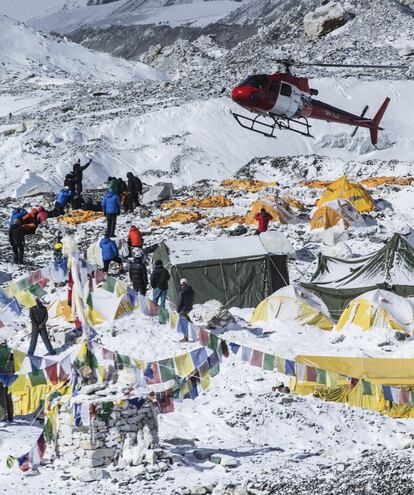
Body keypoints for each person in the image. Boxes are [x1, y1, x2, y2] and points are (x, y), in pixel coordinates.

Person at [0, 338, 14, 423]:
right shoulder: (11, 354)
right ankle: (10, 416)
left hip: (1, 378)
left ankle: (2, 417)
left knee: (2, 399)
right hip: (10, 378)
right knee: (9, 397)